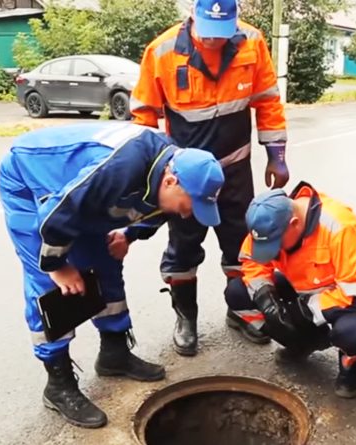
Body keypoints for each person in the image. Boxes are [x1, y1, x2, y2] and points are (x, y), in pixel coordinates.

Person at [0, 122, 225, 428]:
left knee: (105, 260)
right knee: (50, 287)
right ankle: (58, 384)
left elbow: (156, 207)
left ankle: (114, 353)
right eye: (189, 205)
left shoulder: (173, 167)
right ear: (171, 181)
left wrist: (128, 235)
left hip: (77, 197)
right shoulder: (120, 169)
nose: (187, 214)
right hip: (33, 182)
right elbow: (57, 213)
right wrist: (58, 266)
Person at [130, 0, 288, 357]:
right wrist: (149, 172)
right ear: (193, 15)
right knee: (183, 248)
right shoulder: (162, 51)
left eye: (222, 32)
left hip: (234, 169)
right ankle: (186, 317)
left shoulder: (252, 41)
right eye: (208, 33)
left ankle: (241, 310)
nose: (215, 40)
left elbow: (267, 100)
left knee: (240, 244)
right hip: (187, 178)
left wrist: (276, 154)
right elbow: (143, 117)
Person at [225, 183, 356, 398]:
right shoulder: (268, 221)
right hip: (305, 289)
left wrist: (302, 312)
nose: (274, 251)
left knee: (354, 334)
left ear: (294, 224)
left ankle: (352, 367)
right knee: (237, 293)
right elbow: (253, 262)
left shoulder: (342, 227)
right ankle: (302, 343)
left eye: (277, 244)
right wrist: (267, 300)